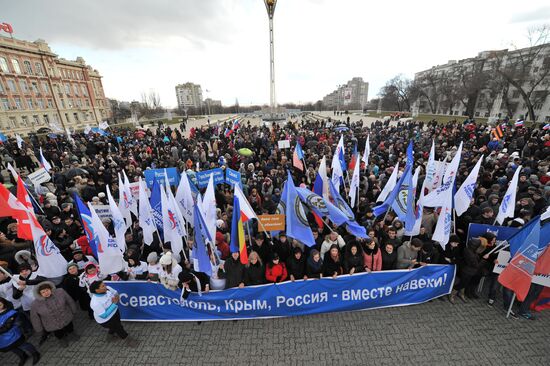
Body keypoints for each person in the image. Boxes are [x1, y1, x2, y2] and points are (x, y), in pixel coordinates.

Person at [89, 281, 138, 347]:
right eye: (103, 286)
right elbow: (104, 315)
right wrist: (114, 304)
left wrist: (117, 297)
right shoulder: (95, 303)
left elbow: (115, 293)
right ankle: (128, 340)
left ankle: (109, 337)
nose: (105, 287)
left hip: (115, 312)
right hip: (106, 320)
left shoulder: (108, 288)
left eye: (104, 285)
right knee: (119, 328)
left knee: (116, 326)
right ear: (97, 290)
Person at [30, 281, 78, 348]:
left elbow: (69, 300)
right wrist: (39, 329)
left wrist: (74, 309)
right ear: (40, 294)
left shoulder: (60, 292)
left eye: (47, 290)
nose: (46, 293)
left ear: (50, 289)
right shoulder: (35, 304)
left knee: (69, 326)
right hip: (51, 323)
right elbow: (34, 317)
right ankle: (62, 339)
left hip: (65, 316)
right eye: (43, 292)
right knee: (58, 333)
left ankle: (72, 334)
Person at [0, 297, 40, 366]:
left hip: (13, 335)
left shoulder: (11, 313)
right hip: (3, 339)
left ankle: (35, 353)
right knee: (12, 348)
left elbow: (7, 327)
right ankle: (23, 356)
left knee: (23, 345)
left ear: (3, 302)